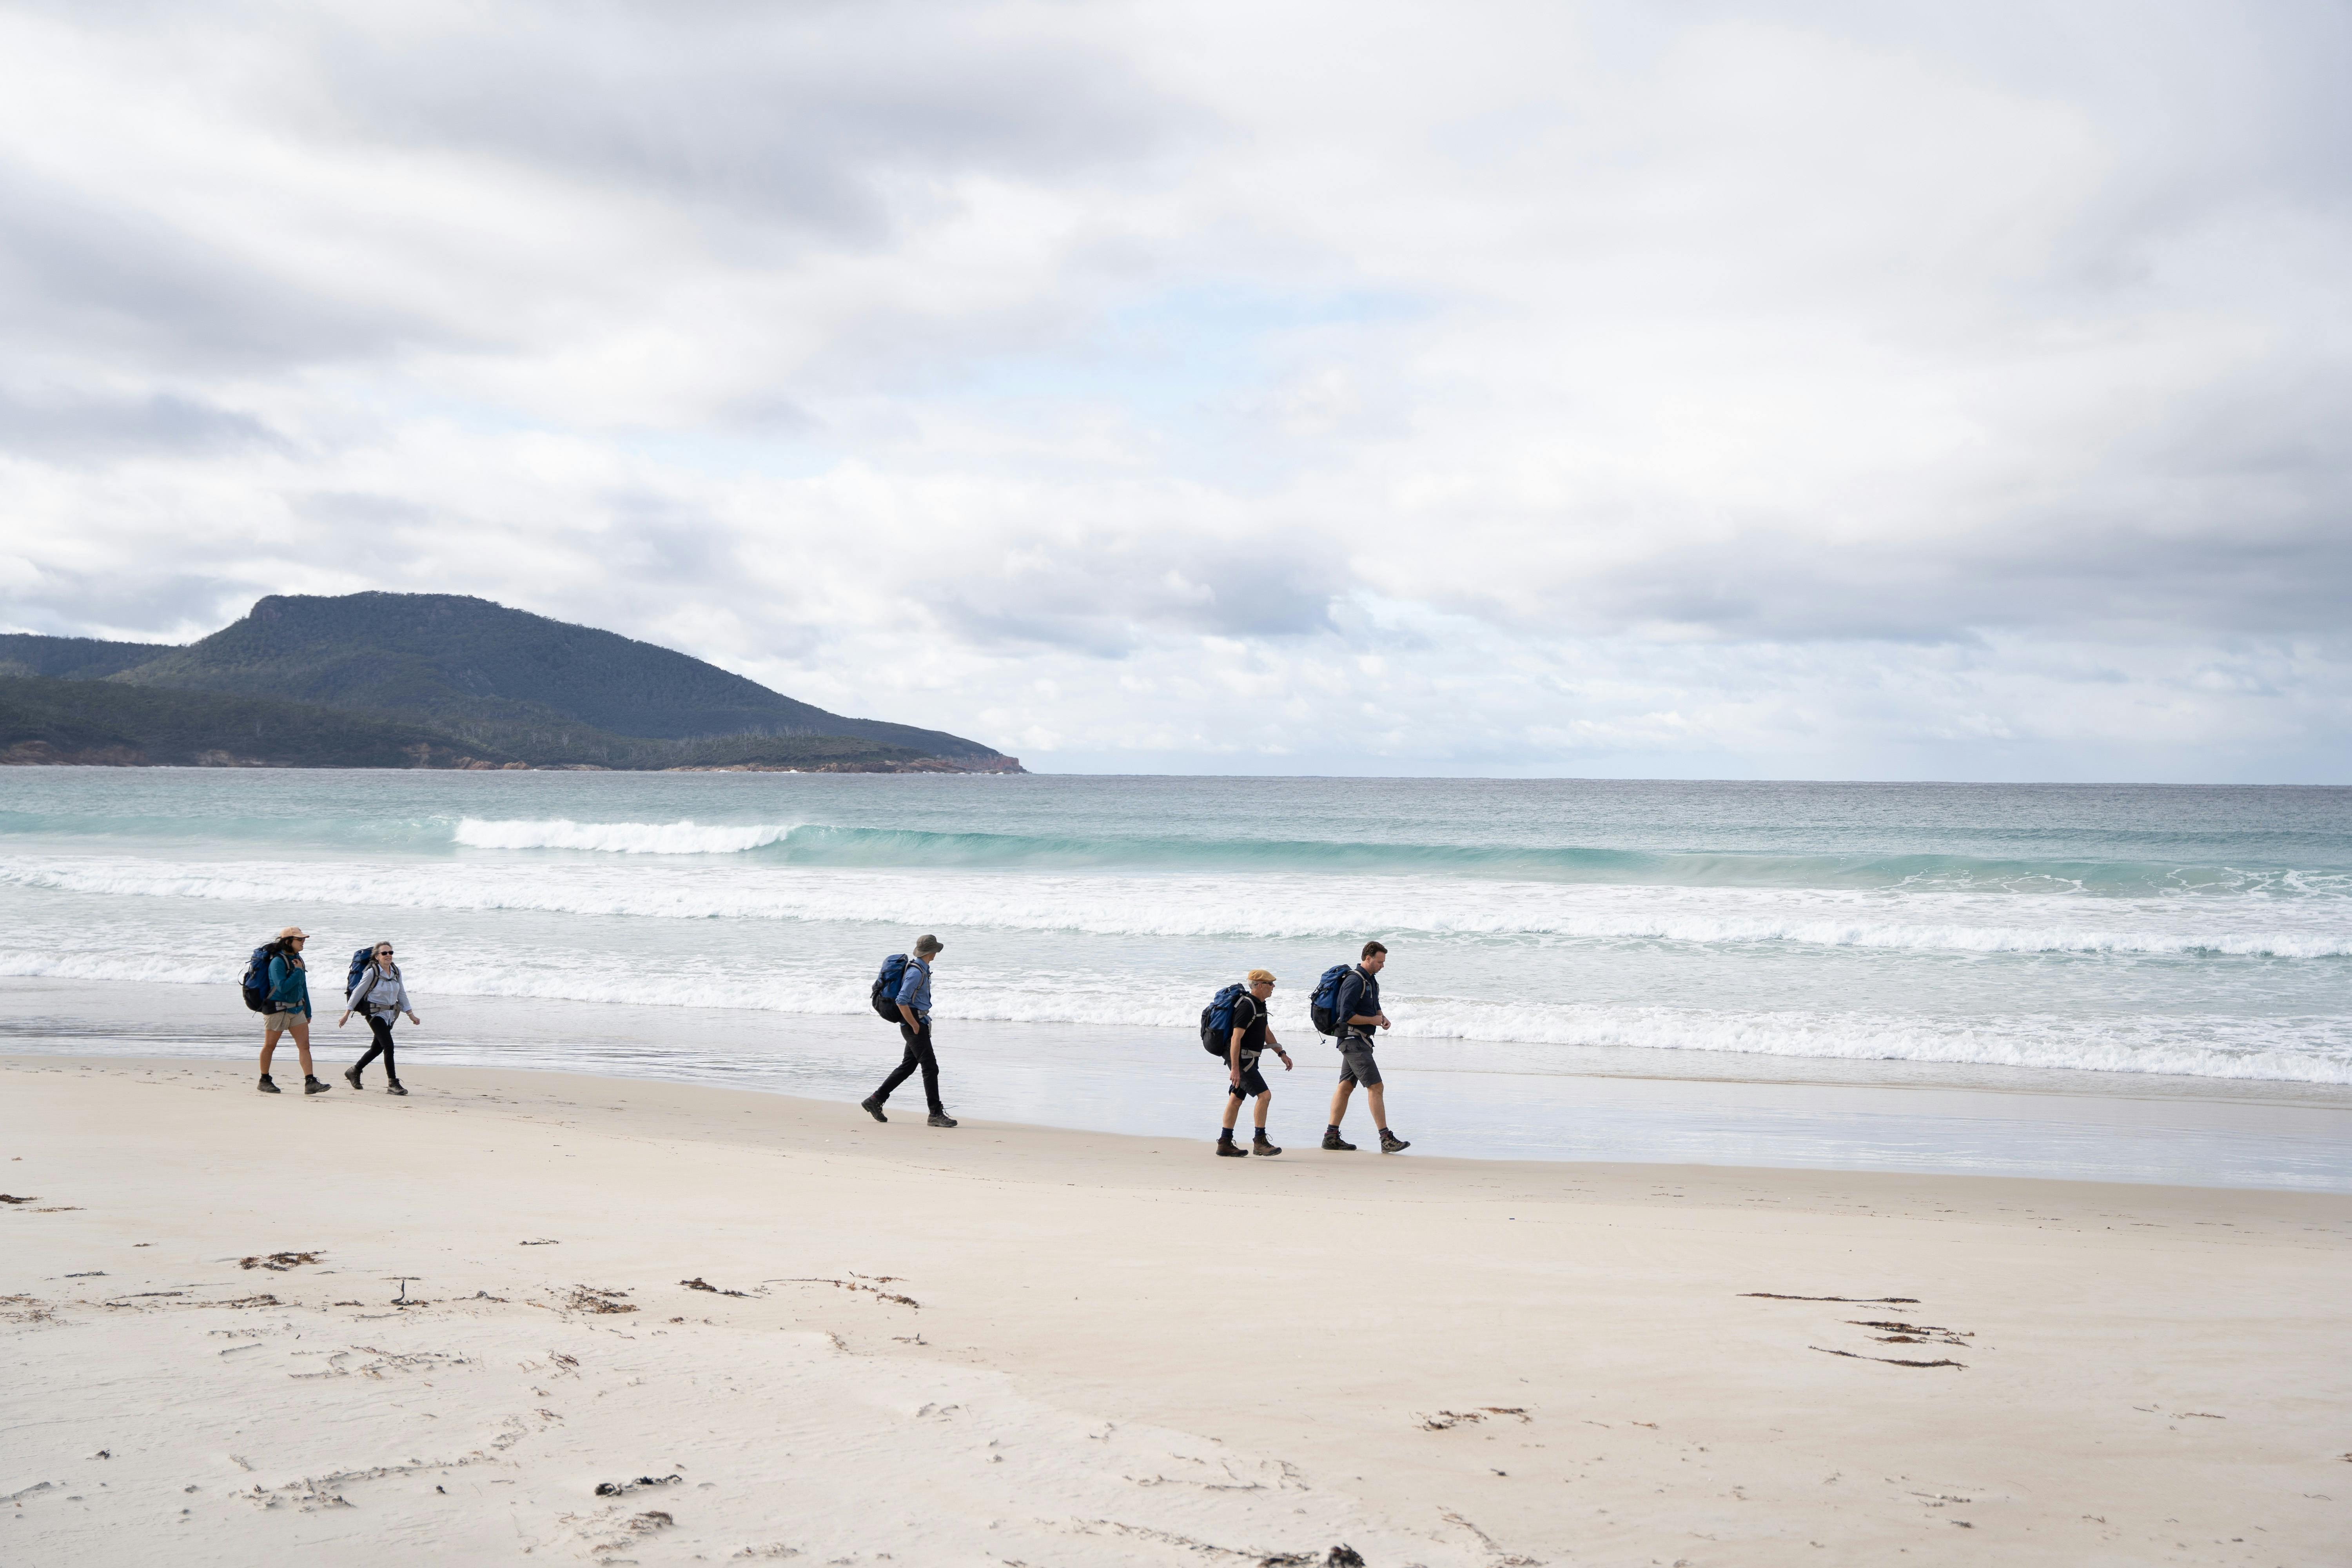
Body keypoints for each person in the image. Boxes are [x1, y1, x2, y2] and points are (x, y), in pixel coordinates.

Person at [860, 935, 956, 1128]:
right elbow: (901, 1000)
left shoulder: (922, 968)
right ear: (933, 952)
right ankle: (935, 1113)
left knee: (908, 1066)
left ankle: (875, 1100)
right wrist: (914, 1025)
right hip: (914, 1024)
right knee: (930, 1068)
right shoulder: (916, 972)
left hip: (917, 1021)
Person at [1323, 940, 1408, 1152]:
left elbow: (1375, 1008)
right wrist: (1373, 1021)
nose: (1382, 966)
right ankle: (1386, 1139)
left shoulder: (1372, 982)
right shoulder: (1354, 980)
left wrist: (1382, 1018)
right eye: (1380, 962)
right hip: (1353, 1041)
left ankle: (1331, 1137)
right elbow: (1347, 1016)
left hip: (1360, 1041)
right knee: (1376, 1087)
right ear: (1368, 958)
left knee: (1345, 1088)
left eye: (1384, 962)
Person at [1216, 969, 1292, 1158]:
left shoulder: (1260, 1005)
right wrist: (1235, 1069)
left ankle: (1225, 1143)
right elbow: (1236, 1039)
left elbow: (1266, 1031)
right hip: (1242, 1061)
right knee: (1265, 1096)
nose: (1273, 987)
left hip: (1250, 1060)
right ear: (1259, 986)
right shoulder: (1247, 1006)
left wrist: (1281, 1053)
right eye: (1270, 984)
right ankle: (1260, 1142)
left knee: (1236, 1099)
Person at [339, 941, 421, 1095]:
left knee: (377, 1048)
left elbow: (401, 993)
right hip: (374, 1014)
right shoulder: (372, 972)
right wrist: (346, 1014)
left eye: (391, 953)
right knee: (389, 1046)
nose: (388, 955)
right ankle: (393, 1083)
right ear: (377, 957)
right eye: (385, 953)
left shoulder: (396, 971)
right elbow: (358, 992)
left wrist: (411, 1014)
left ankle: (354, 1071)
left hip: (390, 1015)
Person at [257, 926, 329, 1096]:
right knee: (270, 1046)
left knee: (305, 1046)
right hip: (277, 1010)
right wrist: (297, 971)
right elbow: (282, 987)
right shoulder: (277, 962)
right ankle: (264, 1080)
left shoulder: (298, 959)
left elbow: (303, 987)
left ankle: (310, 1082)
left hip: (297, 1009)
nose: (303, 942)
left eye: (303, 939)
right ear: (288, 941)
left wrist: (308, 1011)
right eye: (300, 939)